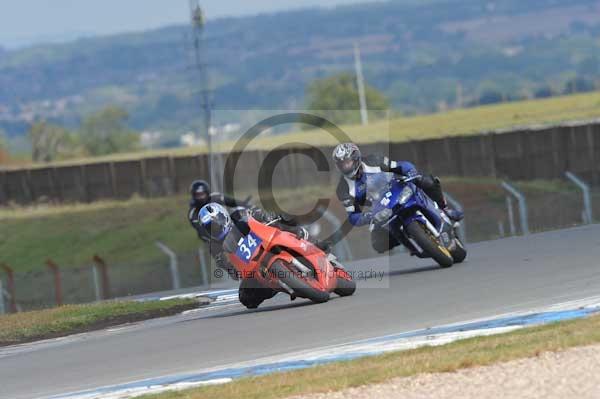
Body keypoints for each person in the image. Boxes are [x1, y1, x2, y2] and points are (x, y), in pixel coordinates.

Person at [332, 142, 463, 254]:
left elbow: (401, 166)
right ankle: (409, 239)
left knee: (427, 181)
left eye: (347, 162)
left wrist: (411, 173)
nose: (345, 167)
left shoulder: (373, 161)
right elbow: (353, 216)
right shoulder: (343, 189)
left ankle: (445, 209)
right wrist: (368, 217)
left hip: (396, 188)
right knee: (378, 244)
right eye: (341, 164)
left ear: (356, 159)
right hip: (379, 208)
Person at [198, 203, 319, 308]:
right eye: (210, 228)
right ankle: (278, 284)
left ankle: (309, 239)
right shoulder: (215, 247)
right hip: (254, 266)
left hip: (268, 239)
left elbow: (256, 213)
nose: (215, 228)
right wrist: (229, 266)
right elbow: (234, 274)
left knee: (284, 217)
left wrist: (265, 216)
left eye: (215, 223)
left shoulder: (238, 214)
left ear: (223, 216)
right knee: (246, 298)